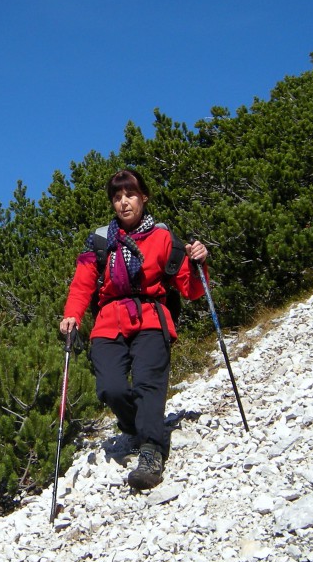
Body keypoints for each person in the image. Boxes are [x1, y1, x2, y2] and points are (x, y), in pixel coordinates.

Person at [59, 168, 209, 490]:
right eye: (117, 197)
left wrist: (199, 263)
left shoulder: (163, 238)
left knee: (147, 383)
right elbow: (82, 284)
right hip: (109, 321)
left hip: (151, 317)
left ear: (144, 197)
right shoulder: (100, 242)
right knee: (110, 388)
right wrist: (72, 315)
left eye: (129, 195)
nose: (123, 202)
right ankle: (135, 426)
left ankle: (152, 451)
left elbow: (191, 290)